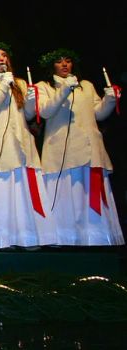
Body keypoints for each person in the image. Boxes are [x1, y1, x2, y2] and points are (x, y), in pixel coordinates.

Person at [36, 48, 123, 246]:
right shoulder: (45, 86)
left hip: (90, 148)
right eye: (59, 62)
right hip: (62, 151)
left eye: (67, 61)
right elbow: (46, 111)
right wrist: (65, 89)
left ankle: (96, 237)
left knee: (89, 194)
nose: (65, 64)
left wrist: (109, 100)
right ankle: (66, 238)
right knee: (67, 195)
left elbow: (98, 114)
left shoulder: (86, 85)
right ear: (52, 66)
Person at [0, 41, 56, 250]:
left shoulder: (19, 82)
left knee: (23, 193)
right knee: (1, 194)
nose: (1, 58)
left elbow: (27, 114)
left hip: (21, 142)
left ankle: (29, 238)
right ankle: (3, 240)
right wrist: (2, 86)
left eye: (3, 55)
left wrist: (30, 101)